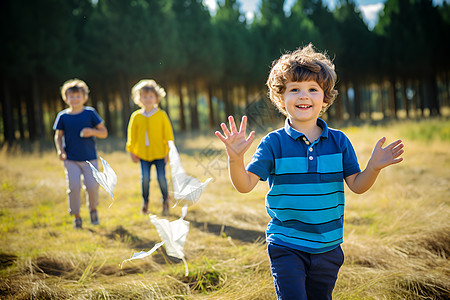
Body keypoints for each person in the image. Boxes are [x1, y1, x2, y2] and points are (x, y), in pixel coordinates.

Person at [215, 44, 405, 300]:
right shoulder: (273, 143)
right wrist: (235, 159)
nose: (304, 96)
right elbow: (244, 185)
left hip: (329, 246)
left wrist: (373, 167)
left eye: (312, 89)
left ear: (325, 99)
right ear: (281, 99)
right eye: (295, 89)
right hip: (286, 244)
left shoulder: (339, 142)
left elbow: (358, 185)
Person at [53, 79, 108, 229]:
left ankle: (93, 210)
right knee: (74, 187)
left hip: (90, 159)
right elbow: (58, 136)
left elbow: (104, 133)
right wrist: (60, 150)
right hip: (71, 159)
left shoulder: (90, 113)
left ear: (84, 97)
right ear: (66, 98)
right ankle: (76, 216)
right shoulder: (63, 116)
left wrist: (91, 131)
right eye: (72, 96)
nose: (75, 99)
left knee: (92, 186)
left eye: (78, 96)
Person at [126, 79, 174, 216]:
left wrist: (168, 152)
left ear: (157, 98)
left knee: (161, 178)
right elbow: (131, 135)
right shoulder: (136, 117)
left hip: (160, 153)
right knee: (145, 179)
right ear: (139, 98)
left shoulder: (161, 115)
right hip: (143, 155)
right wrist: (131, 150)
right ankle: (145, 202)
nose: (148, 99)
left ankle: (165, 200)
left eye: (151, 96)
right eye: (144, 96)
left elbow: (168, 134)